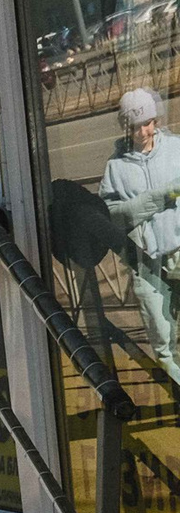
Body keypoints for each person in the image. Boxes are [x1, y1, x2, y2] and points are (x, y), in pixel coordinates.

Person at [98, 86, 180, 376]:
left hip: (179, 254)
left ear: (155, 121)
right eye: (134, 126)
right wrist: (160, 197)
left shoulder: (176, 149)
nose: (143, 132)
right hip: (145, 263)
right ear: (125, 127)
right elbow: (111, 215)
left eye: (147, 123)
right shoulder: (115, 168)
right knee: (162, 340)